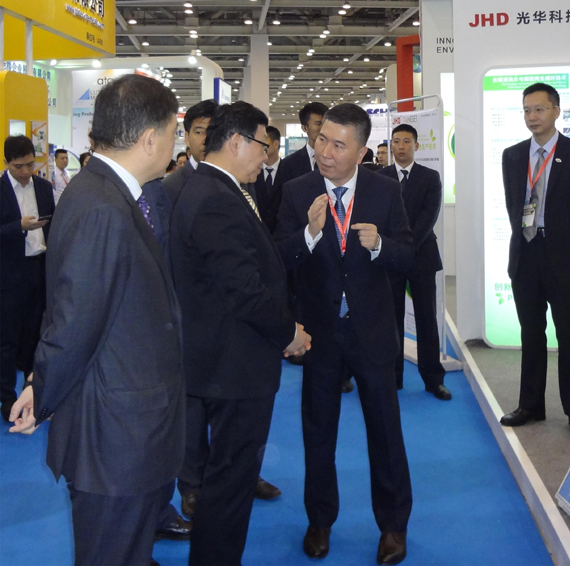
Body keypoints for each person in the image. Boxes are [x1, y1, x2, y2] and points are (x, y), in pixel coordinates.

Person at [8, 74, 185, 566]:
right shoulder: (104, 207)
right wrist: (43, 389)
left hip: (125, 420)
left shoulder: (106, 193)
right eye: (172, 133)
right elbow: (75, 319)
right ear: (148, 138)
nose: (174, 144)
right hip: (116, 432)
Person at [170, 101, 310, 566]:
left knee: (228, 478)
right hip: (233, 365)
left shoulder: (216, 189)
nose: (266, 155)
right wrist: (289, 332)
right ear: (236, 142)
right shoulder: (215, 197)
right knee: (230, 482)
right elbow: (244, 290)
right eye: (262, 145)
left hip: (227, 360)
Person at [276, 104, 414, 565]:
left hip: (371, 331)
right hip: (319, 334)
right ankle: (319, 520)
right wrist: (310, 234)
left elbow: (407, 254)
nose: (325, 152)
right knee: (318, 431)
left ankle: (393, 526)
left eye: (338, 145)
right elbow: (279, 257)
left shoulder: (384, 190)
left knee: (385, 431)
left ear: (360, 151)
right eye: (321, 140)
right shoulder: (297, 190)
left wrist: (381, 246)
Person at [499, 83, 570, 436]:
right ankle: (530, 405)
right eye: (527, 110)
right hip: (525, 253)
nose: (533, 116)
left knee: (568, 332)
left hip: (562, 256)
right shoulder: (513, 155)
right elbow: (514, 204)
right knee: (531, 332)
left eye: (540, 109)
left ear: (557, 111)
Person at [379, 124, 449, 400]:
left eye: (406, 141)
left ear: (416, 146)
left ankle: (433, 380)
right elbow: (378, 217)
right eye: (396, 141)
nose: (401, 146)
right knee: (391, 320)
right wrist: (395, 250)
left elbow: (428, 217)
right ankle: (392, 378)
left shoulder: (430, 177)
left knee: (426, 320)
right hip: (390, 259)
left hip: (422, 257)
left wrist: (406, 247)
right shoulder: (380, 177)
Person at [0, 136, 54, 422]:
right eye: (18, 166)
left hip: (39, 270)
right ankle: (8, 399)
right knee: (7, 341)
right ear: (6, 163)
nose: (25, 171)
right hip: (9, 276)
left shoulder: (44, 188)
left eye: (30, 164)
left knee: (37, 337)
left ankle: (34, 395)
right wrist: (17, 227)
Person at [163, 99, 217, 207]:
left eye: (212, 132)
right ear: (187, 138)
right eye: (199, 132)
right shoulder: (170, 187)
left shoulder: (238, 181)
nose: (206, 140)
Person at [281, 102, 327, 181]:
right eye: (318, 124)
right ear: (305, 128)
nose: (323, 128)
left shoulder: (338, 159)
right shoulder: (289, 163)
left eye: (325, 123)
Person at [253, 125, 285, 234]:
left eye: (264, 142)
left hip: (282, 232)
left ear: (276, 144)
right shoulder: (252, 171)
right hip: (257, 232)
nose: (260, 146)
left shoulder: (289, 170)